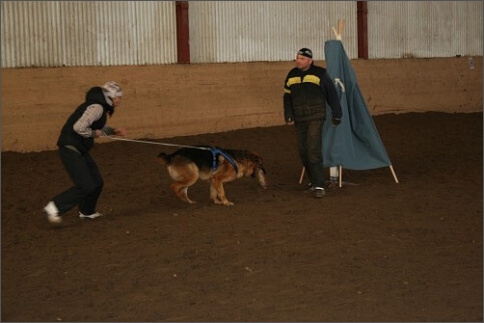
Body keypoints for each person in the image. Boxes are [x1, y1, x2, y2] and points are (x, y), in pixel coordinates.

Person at [43, 81, 128, 224]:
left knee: (97, 182)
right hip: (71, 149)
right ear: (109, 97)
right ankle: (54, 207)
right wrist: (96, 133)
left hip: (79, 148)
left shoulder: (98, 107)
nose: (119, 100)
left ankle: (87, 211)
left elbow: (93, 126)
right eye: (118, 97)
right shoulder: (97, 108)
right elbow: (79, 127)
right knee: (86, 185)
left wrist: (112, 131)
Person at [283, 48, 342, 198]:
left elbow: (332, 94)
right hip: (299, 118)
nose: (298, 61)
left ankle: (320, 186)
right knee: (303, 152)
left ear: (310, 61)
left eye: (301, 59)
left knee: (313, 150)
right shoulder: (291, 75)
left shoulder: (320, 74)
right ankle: (313, 182)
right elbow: (287, 96)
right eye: (297, 58)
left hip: (316, 116)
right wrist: (288, 114)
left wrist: (337, 113)